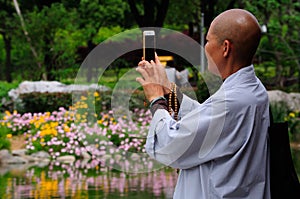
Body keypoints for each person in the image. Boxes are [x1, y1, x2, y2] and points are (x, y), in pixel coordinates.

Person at [136, 9, 270, 199]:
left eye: (207, 41)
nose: (204, 47)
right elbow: (207, 121)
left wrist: (156, 99)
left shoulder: (232, 102)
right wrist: (168, 89)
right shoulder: (253, 91)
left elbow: (170, 145)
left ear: (225, 48)